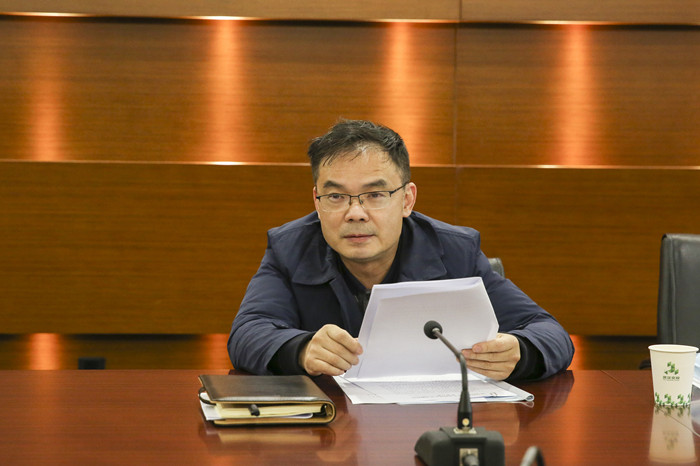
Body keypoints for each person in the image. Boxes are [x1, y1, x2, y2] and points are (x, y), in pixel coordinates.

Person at [228, 119, 574, 381]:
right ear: (317, 202)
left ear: (407, 200)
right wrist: (301, 349)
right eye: (336, 196)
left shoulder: (455, 251)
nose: (355, 212)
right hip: (331, 430)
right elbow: (247, 333)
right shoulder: (289, 248)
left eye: (375, 195)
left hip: (430, 425)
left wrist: (519, 353)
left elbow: (549, 332)